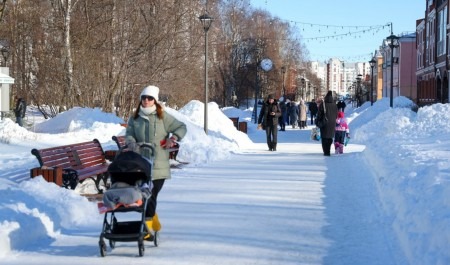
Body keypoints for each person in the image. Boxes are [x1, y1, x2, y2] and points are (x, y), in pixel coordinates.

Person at [125, 85, 187, 239]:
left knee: (151, 194)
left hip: (159, 164)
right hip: (140, 164)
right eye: (144, 98)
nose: (146, 100)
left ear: (155, 101)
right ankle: (152, 221)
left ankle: (147, 229)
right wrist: (132, 143)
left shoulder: (163, 117)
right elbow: (129, 134)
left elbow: (181, 127)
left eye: (149, 98)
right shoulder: (134, 118)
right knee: (145, 196)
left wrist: (172, 139)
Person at [317, 91, 338, 156]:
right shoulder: (335, 105)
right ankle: (328, 150)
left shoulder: (323, 104)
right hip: (332, 123)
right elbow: (336, 114)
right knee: (330, 137)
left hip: (324, 123)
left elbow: (319, 114)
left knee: (324, 137)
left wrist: (318, 121)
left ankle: (326, 151)